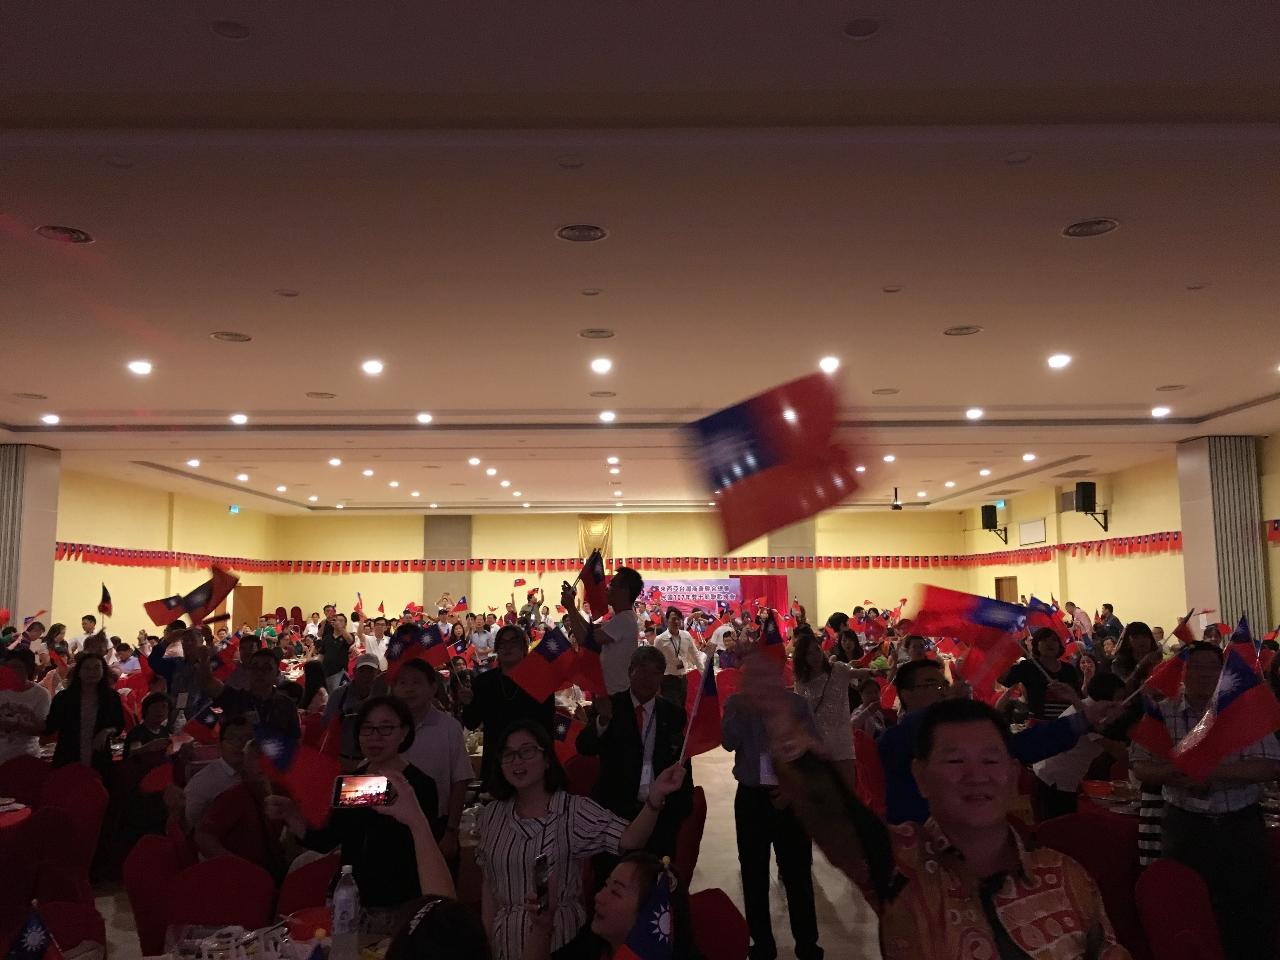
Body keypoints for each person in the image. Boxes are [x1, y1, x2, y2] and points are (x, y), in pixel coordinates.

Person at [753, 677, 1132, 960]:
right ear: (921, 775)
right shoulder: (902, 867)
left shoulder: (1067, 876)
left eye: (990, 760)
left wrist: (1082, 719)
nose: (976, 775)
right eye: (954, 761)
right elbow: (837, 821)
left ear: (1013, 770)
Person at [475, 719, 685, 960]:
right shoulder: (491, 815)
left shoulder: (572, 811)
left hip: (561, 942)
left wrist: (654, 799)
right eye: (508, 754)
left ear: (546, 760)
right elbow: (489, 886)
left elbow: (629, 839)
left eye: (527, 751)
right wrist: (487, 940)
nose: (517, 761)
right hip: (506, 943)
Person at [1130, 642, 1280, 960]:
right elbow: (1139, 764)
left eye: (1211, 668)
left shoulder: (1243, 711)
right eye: (1195, 667)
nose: (1203, 674)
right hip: (1185, 826)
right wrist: (1172, 773)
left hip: (1239, 826)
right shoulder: (1163, 711)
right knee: (1184, 908)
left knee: (1248, 910)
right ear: (1183, 670)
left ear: (1222, 673)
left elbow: (1269, 765)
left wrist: (1212, 772)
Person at [269, 695, 442, 922]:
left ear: (404, 732)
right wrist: (292, 814)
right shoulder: (352, 781)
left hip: (400, 904)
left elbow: (422, 846)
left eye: (386, 728)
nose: (375, 738)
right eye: (367, 729)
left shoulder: (420, 784)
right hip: (351, 902)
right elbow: (327, 840)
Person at [878, 659, 1103, 825]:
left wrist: (1082, 720)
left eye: (943, 686)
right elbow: (913, 738)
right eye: (931, 685)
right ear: (906, 695)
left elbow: (1016, 747)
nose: (942, 692)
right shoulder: (893, 739)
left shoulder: (964, 733)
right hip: (919, 845)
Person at [721, 643, 824, 960]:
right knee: (753, 874)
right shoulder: (737, 703)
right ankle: (762, 946)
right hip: (752, 797)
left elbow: (815, 748)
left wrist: (795, 788)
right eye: (752, 673)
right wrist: (741, 711)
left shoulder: (796, 705)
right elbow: (728, 743)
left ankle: (807, 945)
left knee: (797, 874)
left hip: (790, 798)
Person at [575, 646, 694, 861]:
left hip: (659, 814)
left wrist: (680, 809)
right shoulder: (611, 705)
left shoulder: (673, 714)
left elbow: (683, 763)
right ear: (631, 671)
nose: (648, 678)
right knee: (611, 880)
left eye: (655, 672)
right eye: (643, 670)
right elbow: (584, 746)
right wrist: (602, 721)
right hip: (615, 812)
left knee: (656, 881)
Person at [523, 853, 698, 960]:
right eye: (606, 886)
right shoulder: (592, 945)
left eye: (615, 892)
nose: (598, 897)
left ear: (648, 914)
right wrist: (541, 926)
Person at [392, 659, 474, 861]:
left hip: (437, 825)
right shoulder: (386, 727)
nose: (409, 689)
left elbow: (460, 780)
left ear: (433, 687)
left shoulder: (448, 727)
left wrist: (451, 831)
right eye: (402, 683)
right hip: (391, 823)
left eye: (416, 682)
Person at [461, 625, 556, 785]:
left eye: (513, 642)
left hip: (530, 757)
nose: (507, 647)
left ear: (524, 647)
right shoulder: (484, 682)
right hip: (496, 758)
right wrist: (467, 703)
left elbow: (547, 727)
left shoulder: (539, 681)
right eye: (502, 643)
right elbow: (471, 722)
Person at [1031, 672, 1127, 819]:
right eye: (1119, 698)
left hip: (1053, 773)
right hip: (1056, 778)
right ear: (1106, 697)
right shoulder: (1094, 714)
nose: (1123, 703)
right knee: (1060, 828)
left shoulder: (1087, 707)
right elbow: (1116, 751)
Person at [560, 566, 645, 697]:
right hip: (612, 691)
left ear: (624, 591)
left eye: (612, 585)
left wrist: (571, 607)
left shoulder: (624, 619)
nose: (607, 588)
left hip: (616, 695)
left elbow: (585, 640)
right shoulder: (622, 618)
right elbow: (589, 631)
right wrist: (572, 606)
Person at [791, 627, 856, 788]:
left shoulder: (838, 669)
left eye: (816, 650)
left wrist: (879, 671)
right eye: (809, 653)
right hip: (816, 746)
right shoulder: (801, 684)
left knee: (847, 792)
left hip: (841, 742)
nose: (815, 656)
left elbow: (859, 673)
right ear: (802, 657)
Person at [44, 652, 124, 779]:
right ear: (79, 672)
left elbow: (119, 725)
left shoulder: (111, 697)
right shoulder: (64, 698)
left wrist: (106, 731)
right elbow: (50, 726)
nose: (92, 672)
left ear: (103, 671)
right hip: (69, 754)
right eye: (87, 668)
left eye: (97, 667)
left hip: (99, 756)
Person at [208, 648, 300, 739]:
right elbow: (208, 683)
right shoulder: (235, 698)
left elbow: (294, 741)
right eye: (255, 667)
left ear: (277, 673)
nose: (259, 672)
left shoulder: (286, 705)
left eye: (267, 668)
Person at [183, 716, 254, 829]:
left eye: (247, 739)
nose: (240, 745)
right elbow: (193, 823)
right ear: (220, 744)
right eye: (232, 738)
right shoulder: (203, 783)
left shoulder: (261, 774)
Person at [998, 628, 1083, 721]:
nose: (1049, 643)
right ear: (1036, 645)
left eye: (1054, 640)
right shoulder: (1028, 666)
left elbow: (1078, 695)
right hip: (1039, 723)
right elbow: (1003, 679)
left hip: (1067, 721)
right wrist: (1008, 655)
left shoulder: (1069, 669)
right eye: (1044, 640)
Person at [322, 653, 387, 771]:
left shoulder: (384, 698)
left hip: (373, 763)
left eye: (370, 671)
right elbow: (326, 723)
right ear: (354, 671)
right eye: (362, 670)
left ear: (378, 673)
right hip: (342, 759)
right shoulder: (339, 695)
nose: (366, 675)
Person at [0, 648, 51, 763]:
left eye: (17, 667)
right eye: (8, 667)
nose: (11, 671)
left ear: (28, 669)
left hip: (26, 756)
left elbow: (41, 730)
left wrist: (18, 725)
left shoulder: (40, 694)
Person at [653, 608, 701, 705]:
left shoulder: (686, 635)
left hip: (683, 679)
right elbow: (655, 662)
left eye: (679, 619)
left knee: (682, 707)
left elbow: (695, 655)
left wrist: (703, 673)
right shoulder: (660, 639)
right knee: (672, 709)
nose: (677, 621)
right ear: (667, 620)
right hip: (667, 680)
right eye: (674, 619)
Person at [1111, 621, 1162, 695]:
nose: (1142, 641)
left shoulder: (1157, 660)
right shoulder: (1118, 663)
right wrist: (1140, 666)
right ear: (1128, 641)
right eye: (1136, 637)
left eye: (1145, 636)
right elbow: (1125, 688)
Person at [122, 692, 172, 758]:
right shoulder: (137, 732)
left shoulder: (164, 731)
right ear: (146, 710)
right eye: (155, 707)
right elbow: (133, 752)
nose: (160, 710)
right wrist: (149, 747)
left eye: (164, 706)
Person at [318, 609, 355, 691]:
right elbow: (321, 654)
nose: (338, 622)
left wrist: (341, 628)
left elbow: (350, 640)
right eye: (336, 620)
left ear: (345, 624)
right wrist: (317, 668)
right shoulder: (327, 637)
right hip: (325, 672)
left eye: (341, 621)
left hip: (340, 672)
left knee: (337, 696)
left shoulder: (348, 635)